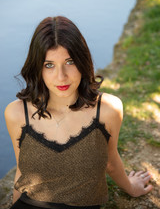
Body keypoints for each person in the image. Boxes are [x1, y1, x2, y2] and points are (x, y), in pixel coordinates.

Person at [5, 16, 152, 209]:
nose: (61, 76)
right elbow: (22, 171)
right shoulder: (17, 113)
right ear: (37, 68)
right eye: (49, 65)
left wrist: (131, 188)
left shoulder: (107, 110)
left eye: (70, 61)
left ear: (82, 61)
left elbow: (110, 159)